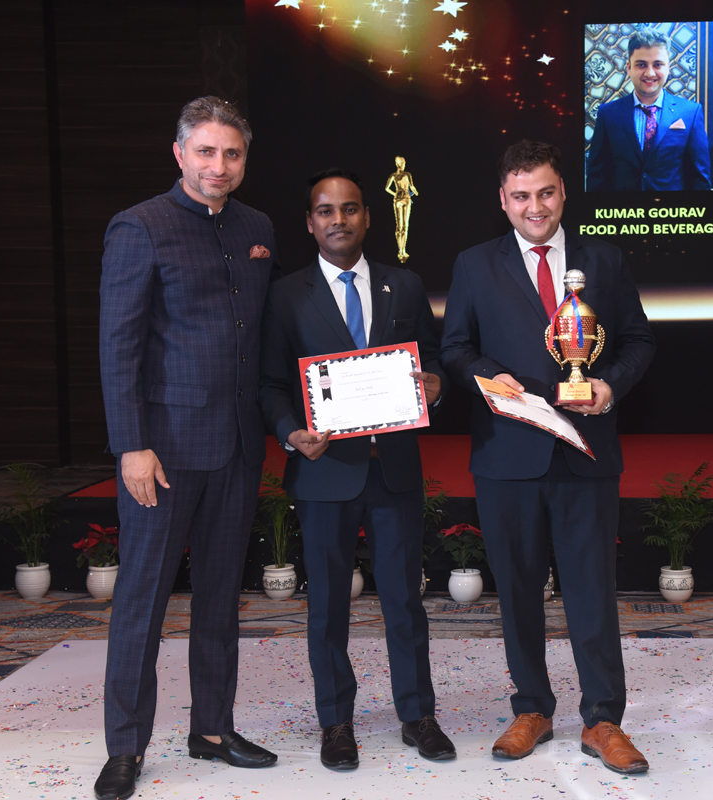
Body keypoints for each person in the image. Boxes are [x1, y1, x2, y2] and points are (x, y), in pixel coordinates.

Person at [441, 140, 656, 774]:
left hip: (587, 453)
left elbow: (639, 340)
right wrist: (486, 375)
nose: (534, 207)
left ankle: (603, 719)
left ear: (563, 192)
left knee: (592, 590)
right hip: (507, 455)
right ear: (503, 200)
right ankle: (531, 708)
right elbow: (454, 347)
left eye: (545, 193)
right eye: (520, 196)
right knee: (517, 591)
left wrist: (610, 385)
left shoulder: (604, 259)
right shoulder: (474, 264)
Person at [97, 96, 278, 800]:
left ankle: (212, 729)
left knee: (219, 601)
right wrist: (131, 446)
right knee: (141, 601)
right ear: (179, 153)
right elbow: (119, 347)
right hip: (163, 456)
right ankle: (125, 746)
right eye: (205, 151)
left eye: (231, 153)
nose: (218, 165)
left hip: (237, 447)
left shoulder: (257, 227)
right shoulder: (139, 226)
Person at [258, 168, 455, 770]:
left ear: (369, 217)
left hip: (393, 470)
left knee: (404, 600)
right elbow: (270, 384)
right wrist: (290, 432)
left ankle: (417, 715)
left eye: (349, 209)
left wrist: (435, 386)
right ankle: (335, 722)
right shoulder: (285, 295)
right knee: (328, 609)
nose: (337, 219)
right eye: (325, 210)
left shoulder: (405, 285)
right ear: (310, 222)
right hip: (323, 473)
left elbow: (433, 363)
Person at [586, 30, 711, 192]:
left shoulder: (690, 113)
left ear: (668, 68)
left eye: (657, 65)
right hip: (623, 208)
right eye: (641, 65)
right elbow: (597, 177)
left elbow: (699, 180)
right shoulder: (608, 114)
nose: (650, 73)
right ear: (629, 68)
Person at [384, 155, 419, 263]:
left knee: (400, 226)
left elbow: (387, 188)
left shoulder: (394, 176)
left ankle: (401, 250)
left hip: (398, 200)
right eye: (403, 164)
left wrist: (395, 194)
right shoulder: (406, 174)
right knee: (404, 226)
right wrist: (416, 193)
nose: (404, 165)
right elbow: (411, 187)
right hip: (405, 199)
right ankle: (402, 251)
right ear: (401, 164)